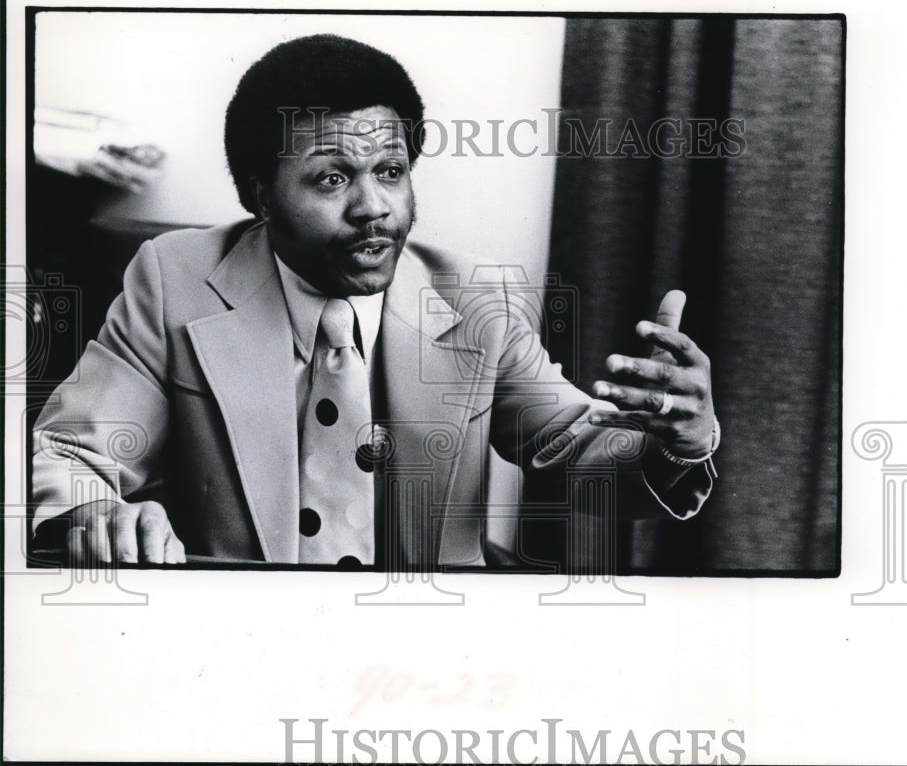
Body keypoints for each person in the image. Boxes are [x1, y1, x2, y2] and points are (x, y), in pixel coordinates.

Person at [31, 33, 719, 569]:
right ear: (260, 196)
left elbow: (575, 447)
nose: (374, 208)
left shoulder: (475, 298)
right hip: (236, 637)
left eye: (391, 172)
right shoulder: (174, 278)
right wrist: (94, 513)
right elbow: (73, 449)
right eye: (331, 179)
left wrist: (678, 443)